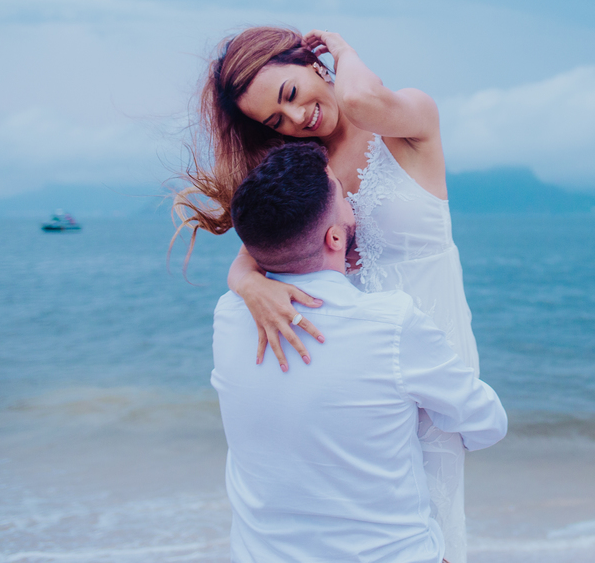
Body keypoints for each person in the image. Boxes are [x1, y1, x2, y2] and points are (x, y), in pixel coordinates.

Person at [176, 26, 480, 561]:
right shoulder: (309, 167)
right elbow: (253, 254)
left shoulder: (407, 117)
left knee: (436, 519)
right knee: (373, 524)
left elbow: (360, 99)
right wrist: (248, 285)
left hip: (431, 342)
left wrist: (342, 50)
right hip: (355, 362)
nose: (296, 119)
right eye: (276, 120)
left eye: (291, 93)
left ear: (313, 63)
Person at [212, 142, 506, 563]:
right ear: (335, 236)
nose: (352, 200)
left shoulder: (228, 316)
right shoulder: (390, 324)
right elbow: (487, 422)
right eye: (342, 194)